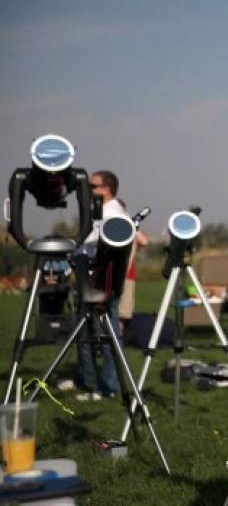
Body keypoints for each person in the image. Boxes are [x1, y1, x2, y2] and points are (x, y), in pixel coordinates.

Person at [59, 170, 127, 400]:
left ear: (107, 189)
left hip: (102, 281)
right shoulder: (98, 212)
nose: (89, 190)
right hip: (86, 275)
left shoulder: (114, 214)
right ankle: (87, 379)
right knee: (84, 330)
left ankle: (108, 387)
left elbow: (105, 249)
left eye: (93, 186)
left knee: (107, 334)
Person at [116, 198, 149, 333]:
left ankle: (119, 335)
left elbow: (144, 241)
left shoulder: (131, 225)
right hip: (110, 272)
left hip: (127, 274)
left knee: (124, 309)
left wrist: (132, 224)